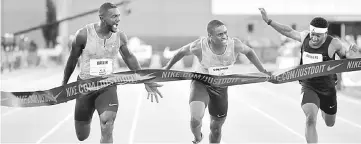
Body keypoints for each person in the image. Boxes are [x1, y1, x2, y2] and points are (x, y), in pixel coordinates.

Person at [62, 3, 163, 143]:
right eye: (114, 16)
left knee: (107, 123)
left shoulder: (120, 37)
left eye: (119, 16)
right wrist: (64, 84)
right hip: (85, 88)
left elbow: (129, 57)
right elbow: (72, 60)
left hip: (107, 86)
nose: (118, 19)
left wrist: (145, 79)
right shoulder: (83, 35)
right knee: (82, 135)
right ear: (102, 18)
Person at [259, 8, 361, 144]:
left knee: (330, 122)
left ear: (325, 34)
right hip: (309, 86)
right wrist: (269, 21)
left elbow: (346, 60)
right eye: (313, 34)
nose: (314, 38)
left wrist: (353, 56)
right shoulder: (305, 37)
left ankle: (324, 109)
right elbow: (288, 31)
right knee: (310, 118)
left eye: (318, 36)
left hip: (328, 88)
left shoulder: (334, 43)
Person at [164, 20, 271, 144]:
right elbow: (181, 51)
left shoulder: (235, 45)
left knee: (216, 129)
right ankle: (198, 138)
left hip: (220, 87)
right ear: (210, 36)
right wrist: (166, 68)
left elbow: (250, 52)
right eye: (220, 34)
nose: (224, 36)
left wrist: (263, 71)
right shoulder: (199, 46)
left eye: (225, 32)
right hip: (201, 83)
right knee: (195, 119)